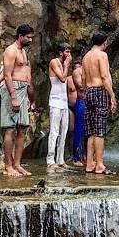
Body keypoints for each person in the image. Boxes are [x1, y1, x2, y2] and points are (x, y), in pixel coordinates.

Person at [1, 24, 36, 177]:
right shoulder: (11, 51)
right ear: (20, 36)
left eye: (31, 37)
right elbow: (7, 75)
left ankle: (17, 164)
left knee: (22, 128)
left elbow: (25, 73)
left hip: (22, 90)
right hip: (12, 89)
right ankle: (8, 166)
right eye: (28, 37)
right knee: (9, 128)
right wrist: (13, 96)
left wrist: (28, 96)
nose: (30, 40)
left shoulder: (23, 52)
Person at [83, 31, 117, 174]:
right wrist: (112, 96)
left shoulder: (86, 57)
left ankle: (89, 164)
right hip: (99, 91)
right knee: (100, 130)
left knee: (91, 130)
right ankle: (100, 164)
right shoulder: (101, 55)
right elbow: (104, 76)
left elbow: (84, 78)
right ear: (104, 42)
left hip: (89, 91)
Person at [46, 42, 72, 171]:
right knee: (54, 131)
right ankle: (50, 159)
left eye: (70, 52)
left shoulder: (64, 64)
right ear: (61, 52)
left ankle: (60, 159)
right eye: (67, 52)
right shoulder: (54, 62)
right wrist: (66, 65)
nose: (69, 55)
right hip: (55, 101)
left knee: (64, 130)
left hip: (64, 102)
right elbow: (62, 78)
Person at [67, 53, 86, 167]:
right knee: (71, 130)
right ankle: (72, 154)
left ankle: (83, 154)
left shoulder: (87, 75)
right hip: (71, 106)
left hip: (81, 104)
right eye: (76, 68)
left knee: (84, 131)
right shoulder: (69, 80)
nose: (78, 69)